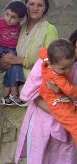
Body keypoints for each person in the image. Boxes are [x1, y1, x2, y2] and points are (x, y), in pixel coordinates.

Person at [0, 0, 58, 164]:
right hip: (10, 90)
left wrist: (20, 60)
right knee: (7, 143)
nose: (35, 8)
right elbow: (4, 53)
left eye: (40, 5)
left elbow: (51, 60)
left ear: (45, 9)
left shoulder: (49, 29)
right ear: (25, 5)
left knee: (28, 144)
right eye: (31, 4)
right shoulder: (17, 28)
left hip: (33, 94)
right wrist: (5, 63)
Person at [15, 30, 77, 164]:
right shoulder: (51, 58)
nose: (66, 70)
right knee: (40, 158)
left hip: (69, 123)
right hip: (43, 120)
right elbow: (31, 94)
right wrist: (60, 111)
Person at [0, 0, 27, 106]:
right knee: (15, 66)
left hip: (12, 50)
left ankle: (6, 96)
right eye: (7, 14)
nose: (8, 19)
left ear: (20, 19)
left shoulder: (19, 27)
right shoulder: (0, 22)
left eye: (13, 17)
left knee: (12, 69)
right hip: (1, 49)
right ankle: (14, 93)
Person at [38, 39, 77, 143]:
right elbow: (71, 91)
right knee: (75, 125)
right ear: (50, 63)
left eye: (70, 66)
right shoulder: (56, 78)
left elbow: (42, 51)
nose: (68, 71)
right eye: (63, 68)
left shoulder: (48, 58)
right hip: (58, 104)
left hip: (64, 100)